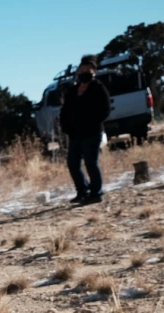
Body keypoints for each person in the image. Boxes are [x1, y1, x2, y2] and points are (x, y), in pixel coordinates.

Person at [60, 55, 111, 204]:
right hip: (75, 134)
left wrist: (92, 122)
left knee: (91, 162)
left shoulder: (98, 88)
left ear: (94, 71)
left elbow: (105, 109)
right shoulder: (73, 91)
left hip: (92, 132)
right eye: (81, 70)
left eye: (87, 70)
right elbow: (65, 111)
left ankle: (96, 193)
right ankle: (82, 191)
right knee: (72, 163)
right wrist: (65, 126)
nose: (83, 73)